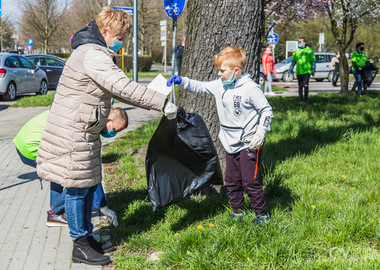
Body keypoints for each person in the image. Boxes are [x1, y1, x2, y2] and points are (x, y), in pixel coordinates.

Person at [36, 7, 177, 266]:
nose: (121, 41)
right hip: (73, 133)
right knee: (77, 189)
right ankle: (80, 246)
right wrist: (161, 102)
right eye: (120, 35)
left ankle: (87, 239)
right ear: (105, 32)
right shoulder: (93, 54)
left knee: (87, 185)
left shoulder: (91, 52)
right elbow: (121, 86)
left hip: (81, 130)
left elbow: (116, 89)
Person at [167, 46, 273, 224]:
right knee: (231, 180)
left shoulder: (251, 89)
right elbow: (200, 86)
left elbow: (266, 111)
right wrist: (181, 81)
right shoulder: (219, 86)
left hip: (249, 143)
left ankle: (262, 215)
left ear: (236, 71)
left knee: (250, 182)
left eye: (222, 70)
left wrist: (260, 133)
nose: (219, 74)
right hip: (229, 142)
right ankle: (238, 211)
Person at [13, 108, 127, 227]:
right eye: (114, 130)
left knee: (59, 172)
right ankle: (55, 212)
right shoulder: (87, 126)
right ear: (108, 120)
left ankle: (56, 212)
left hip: (24, 141)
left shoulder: (89, 112)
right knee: (80, 177)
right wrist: (103, 207)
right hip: (33, 146)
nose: (113, 134)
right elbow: (89, 170)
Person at [288, 37, 316, 106]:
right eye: (298, 42)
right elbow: (293, 62)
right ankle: (301, 99)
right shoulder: (297, 51)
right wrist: (290, 70)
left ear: (304, 42)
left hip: (307, 71)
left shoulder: (309, 51)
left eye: (300, 42)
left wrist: (313, 70)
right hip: (299, 71)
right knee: (300, 86)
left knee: (305, 85)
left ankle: (305, 100)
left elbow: (313, 61)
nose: (299, 43)